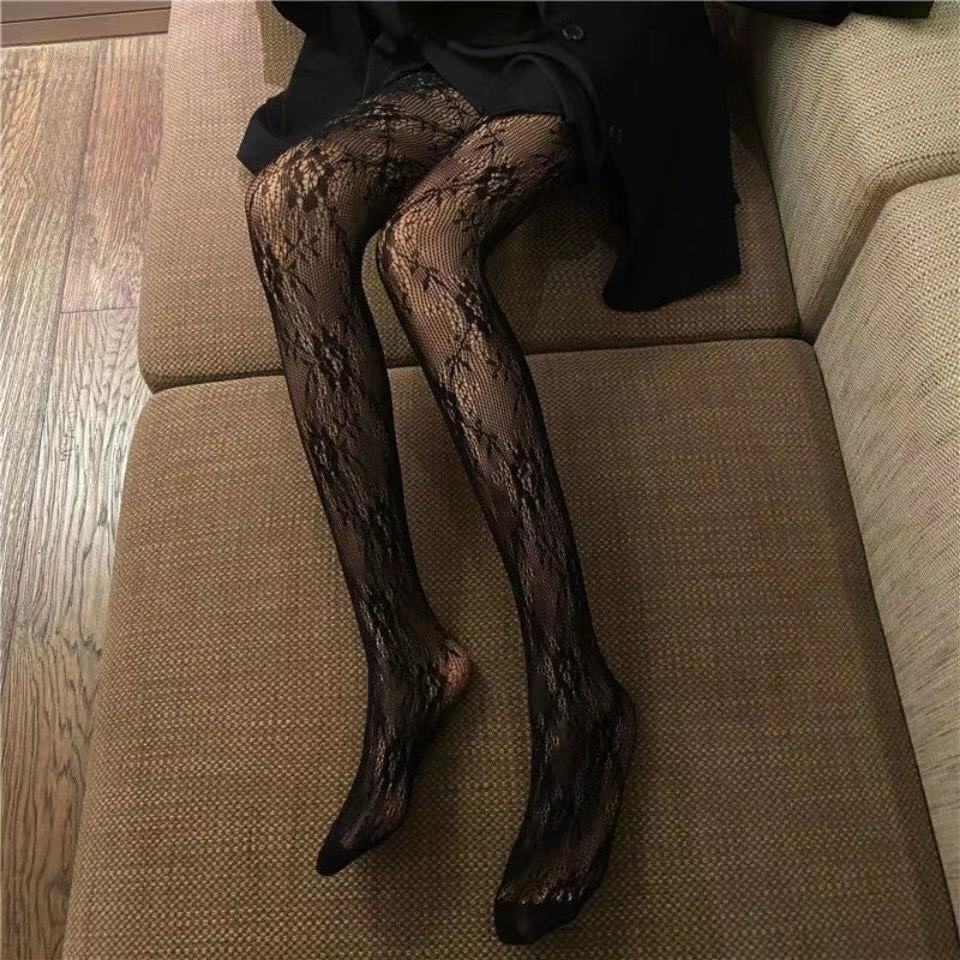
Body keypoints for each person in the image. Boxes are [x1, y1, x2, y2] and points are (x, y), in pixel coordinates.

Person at [238, 0, 933, 945]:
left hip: (593, 27)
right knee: (286, 203)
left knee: (421, 250)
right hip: (450, 33)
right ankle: (403, 652)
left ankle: (578, 695)